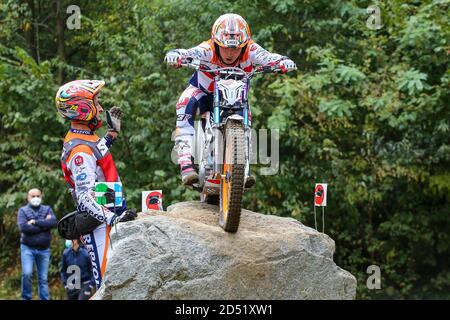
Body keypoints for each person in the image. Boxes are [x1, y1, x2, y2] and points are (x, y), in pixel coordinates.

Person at [164, 13, 297, 186]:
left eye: (235, 48)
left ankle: (243, 167)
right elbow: (191, 52)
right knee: (185, 102)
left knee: (247, 114)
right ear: (216, 42)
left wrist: (282, 61)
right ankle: (185, 162)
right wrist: (177, 55)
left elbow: (268, 57)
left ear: (244, 45)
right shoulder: (208, 49)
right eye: (225, 47)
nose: (229, 53)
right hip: (203, 90)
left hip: (235, 96)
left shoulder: (251, 50)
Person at [55, 80, 137, 290]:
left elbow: (96, 152)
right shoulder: (79, 149)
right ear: (82, 109)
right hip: (100, 222)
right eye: (96, 103)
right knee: (107, 284)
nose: (101, 108)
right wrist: (114, 218)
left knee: (123, 281)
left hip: (110, 214)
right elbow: (85, 195)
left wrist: (110, 136)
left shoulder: (83, 138)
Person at [17, 188, 57, 300]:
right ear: (28, 197)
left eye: (38, 196)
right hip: (27, 248)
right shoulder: (22, 211)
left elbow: (53, 222)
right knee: (27, 274)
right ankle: (26, 298)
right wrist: (44, 226)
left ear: (41, 197)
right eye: (33, 196)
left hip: (44, 249)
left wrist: (34, 222)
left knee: (43, 278)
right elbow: (24, 228)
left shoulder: (47, 209)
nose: (35, 198)